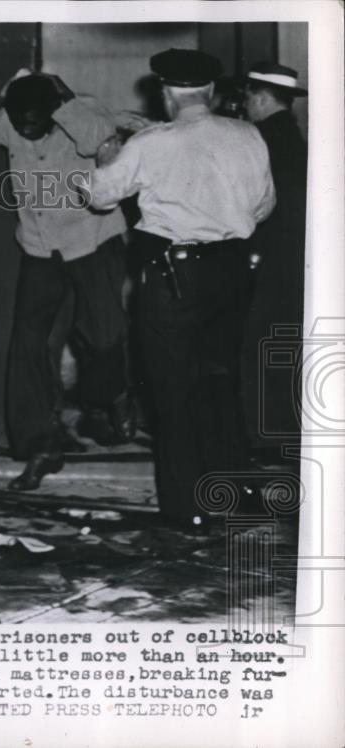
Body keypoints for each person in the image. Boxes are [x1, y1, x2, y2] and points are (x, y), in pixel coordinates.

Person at [89, 49, 275, 530]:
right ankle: (235, 497)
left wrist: (106, 159)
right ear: (210, 93)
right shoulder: (248, 134)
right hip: (233, 272)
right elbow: (264, 207)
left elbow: (99, 195)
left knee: (172, 390)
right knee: (220, 382)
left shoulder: (152, 142)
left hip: (175, 275)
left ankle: (187, 507)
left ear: (168, 94)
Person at [0, 71, 133, 492]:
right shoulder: (10, 118)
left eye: (36, 121)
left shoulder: (81, 112)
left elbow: (100, 143)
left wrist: (66, 104)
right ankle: (41, 443)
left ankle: (109, 399)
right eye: (20, 122)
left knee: (104, 337)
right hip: (39, 248)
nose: (27, 131)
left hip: (93, 240)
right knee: (30, 347)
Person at [240, 62, 308, 463]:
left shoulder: (263, 139)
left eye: (248, 96)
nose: (244, 105)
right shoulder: (290, 136)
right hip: (291, 257)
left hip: (271, 258)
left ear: (262, 98)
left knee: (260, 344)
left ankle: (267, 441)